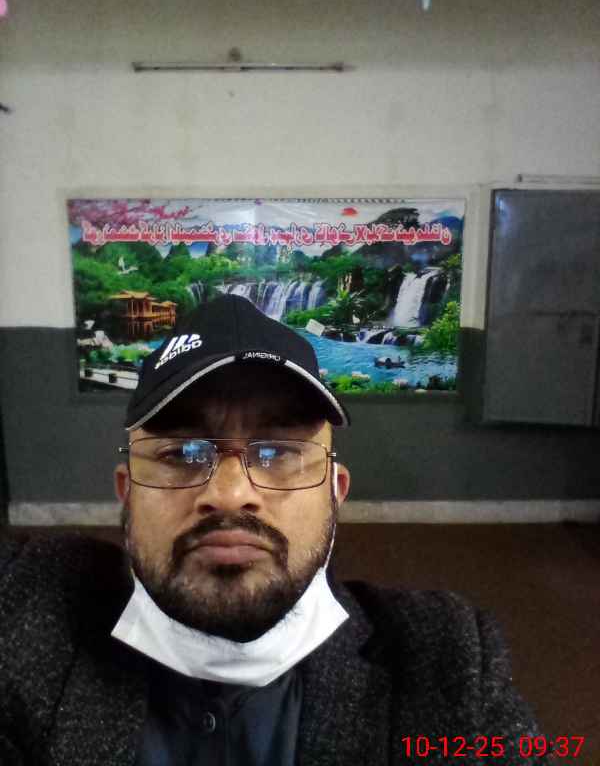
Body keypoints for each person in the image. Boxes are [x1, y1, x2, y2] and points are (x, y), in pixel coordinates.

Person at [0, 295, 543, 765]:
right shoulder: (25, 612)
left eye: (278, 451)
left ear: (335, 491)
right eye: (182, 453)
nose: (230, 493)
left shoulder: (448, 660)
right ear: (127, 492)